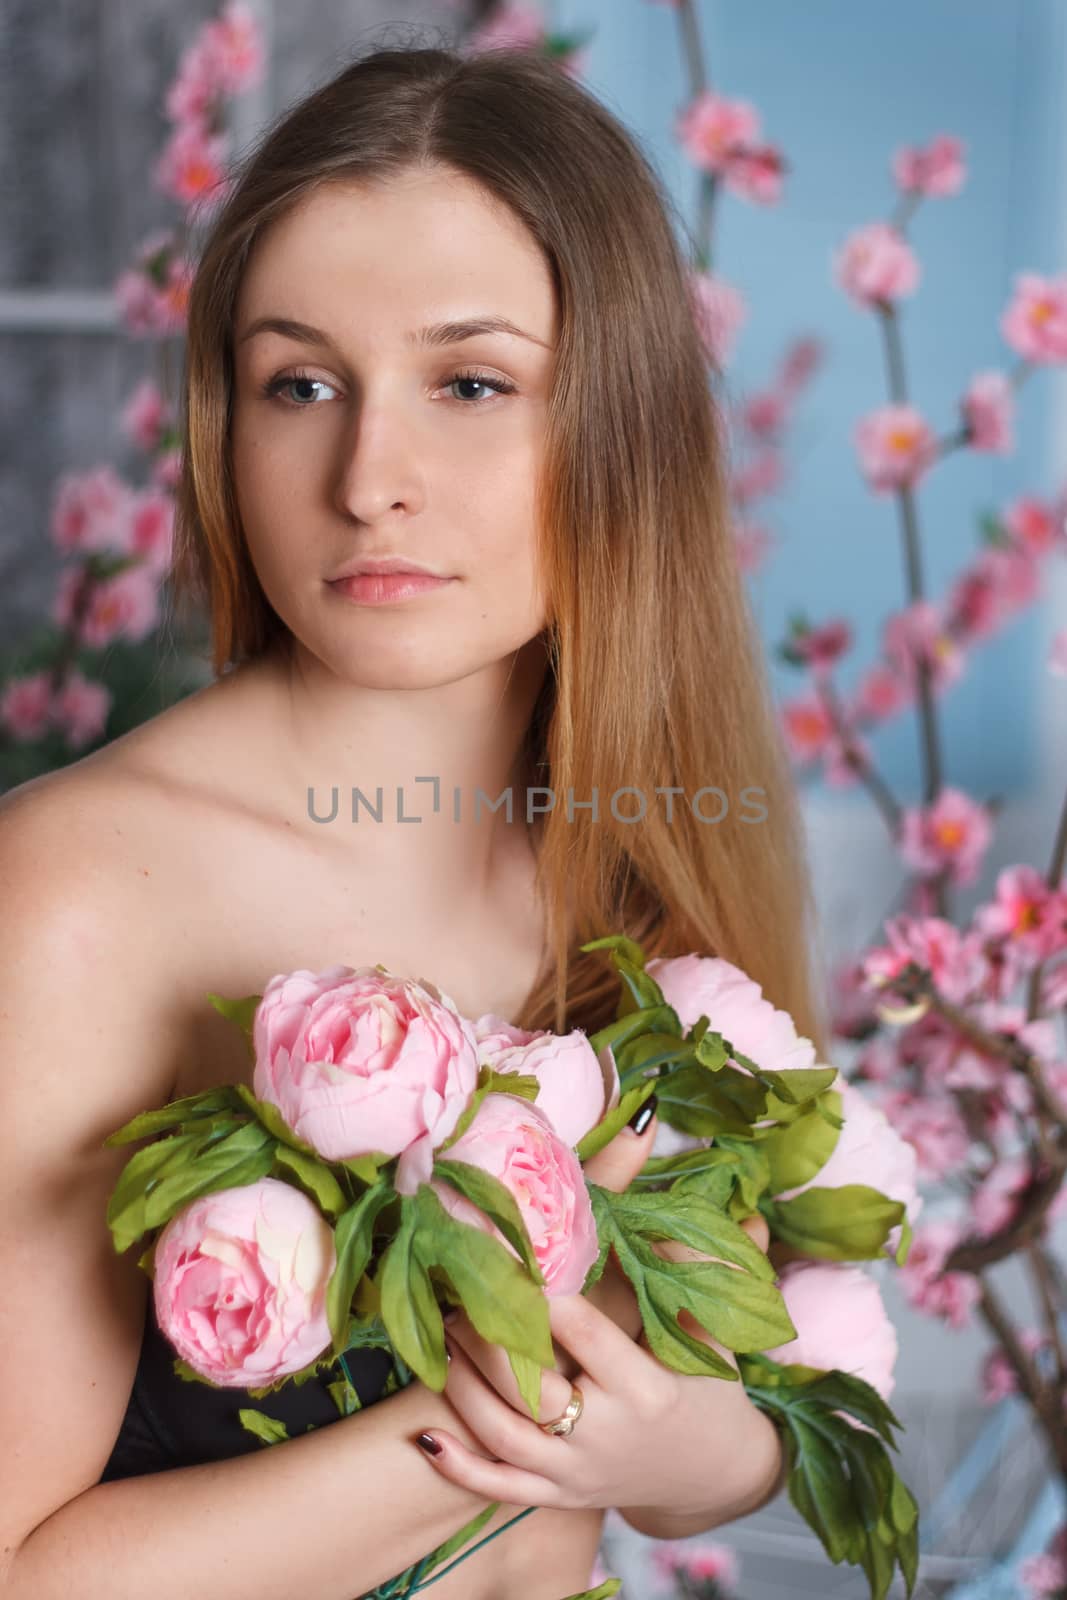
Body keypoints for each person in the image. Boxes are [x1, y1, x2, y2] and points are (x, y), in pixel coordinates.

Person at [0, 37, 831, 1600]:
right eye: (300, 383)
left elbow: (730, 1426)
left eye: (470, 382)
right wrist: (507, 1409)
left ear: (622, 430)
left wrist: (673, 1451)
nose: (371, 475)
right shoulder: (78, 895)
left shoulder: (644, 855)